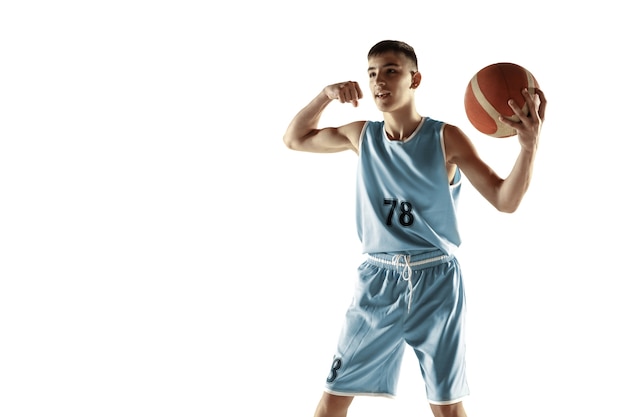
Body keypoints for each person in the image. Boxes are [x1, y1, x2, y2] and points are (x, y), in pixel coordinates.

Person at [282, 40, 546, 417]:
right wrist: (325, 95)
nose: (379, 81)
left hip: (435, 279)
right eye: (372, 73)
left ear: (414, 78)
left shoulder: (445, 138)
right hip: (378, 278)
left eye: (391, 70)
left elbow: (505, 200)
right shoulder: (362, 136)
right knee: (331, 400)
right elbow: (294, 139)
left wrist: (529, 147)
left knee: (447, 408)